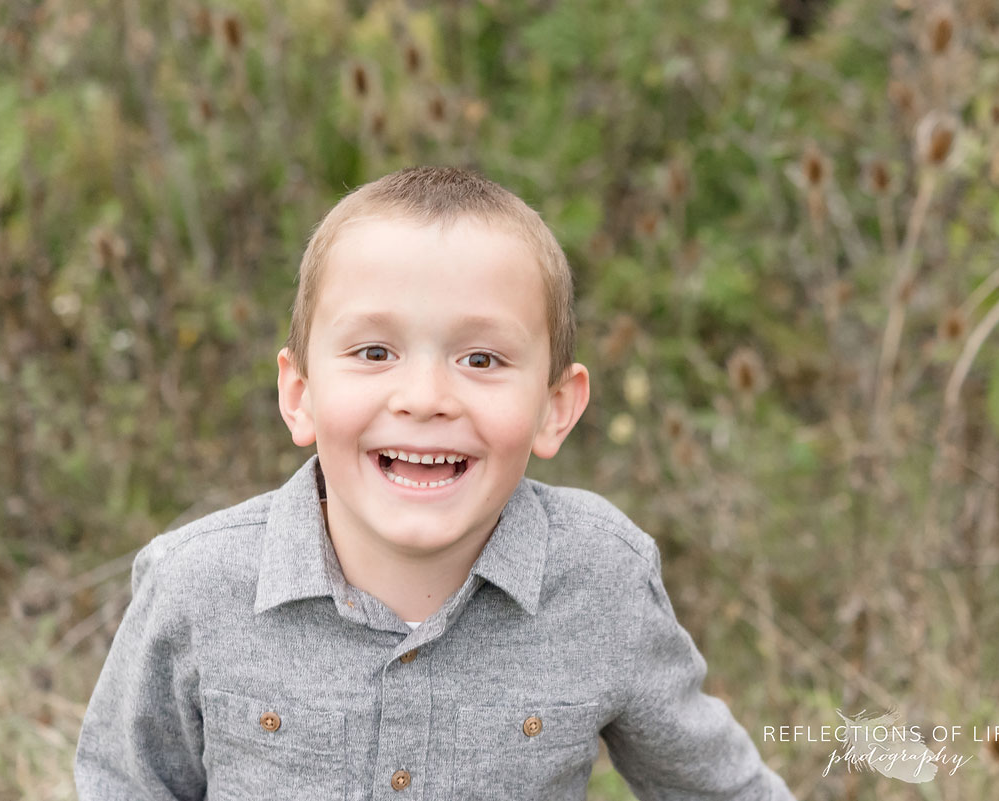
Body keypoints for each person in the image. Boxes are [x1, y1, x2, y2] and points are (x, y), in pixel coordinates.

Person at [74, 166, 795, 800]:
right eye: (374, 350)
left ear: (555, 408)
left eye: (481, 359)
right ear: (300, 394)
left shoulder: (602, 580)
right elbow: (123, 784)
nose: (425, 397)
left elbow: (720, 789)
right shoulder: (198, 585)